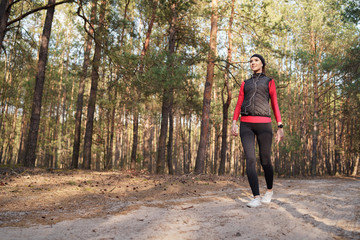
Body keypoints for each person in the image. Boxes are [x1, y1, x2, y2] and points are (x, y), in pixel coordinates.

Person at [231, 54, 284, 208]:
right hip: (245, 124)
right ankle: (256, 196)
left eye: (255, 60)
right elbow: (239, 103)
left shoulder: (269, 81)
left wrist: (280, 126)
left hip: (264, 124)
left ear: (262, 63)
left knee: (265, 159)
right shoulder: (245, 83)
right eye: (251, 61)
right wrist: (234, 122)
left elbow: (274, 103)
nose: (252, 63)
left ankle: (269, 191)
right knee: (250, 159)